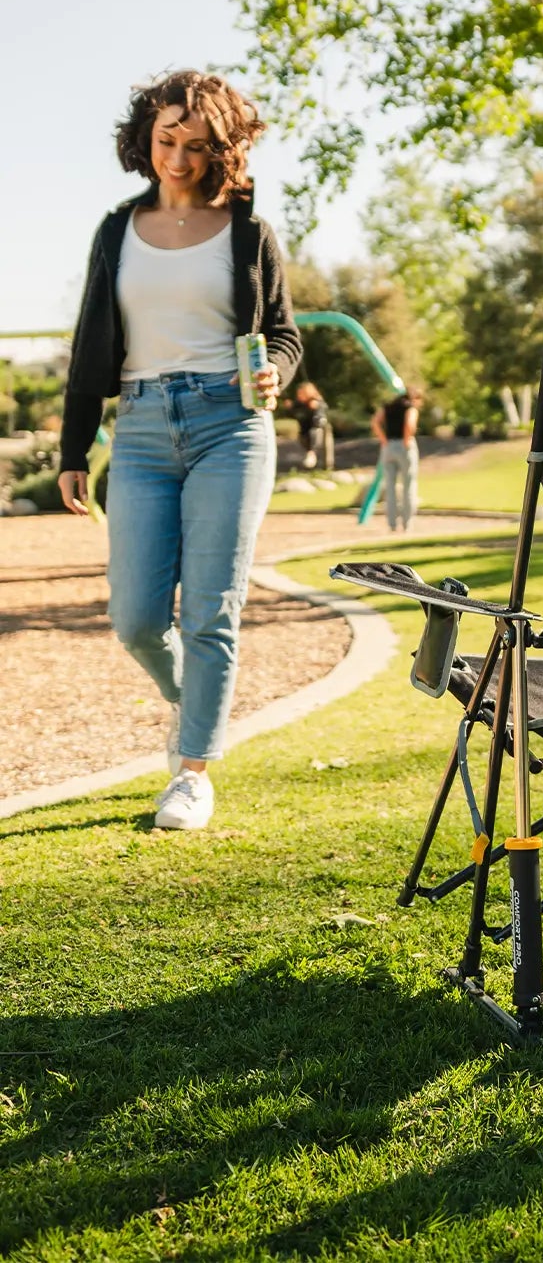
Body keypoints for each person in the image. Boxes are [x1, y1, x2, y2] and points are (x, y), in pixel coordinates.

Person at [58, 71, 301, 831]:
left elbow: (288, 337)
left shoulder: (249, 232)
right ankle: (193, 702)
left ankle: (192, 773)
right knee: (133, 617)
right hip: (137, 429)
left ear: (220, 151)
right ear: (146, 137)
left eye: (197, 146)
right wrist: (72, 450)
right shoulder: (115, 231)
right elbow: (89, 346)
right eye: (167, 140)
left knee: (210, 609)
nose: (179, 158)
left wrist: (276, 370)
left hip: (230, 425)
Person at [372, 388, 421, 531]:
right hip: (404, 446)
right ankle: (407, 523)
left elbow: (375, 422)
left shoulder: (388, 407)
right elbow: (409, 424)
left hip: (388, 447)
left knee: (390, 487)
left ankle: (392, 524)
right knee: (408, 485)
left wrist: (383, 440)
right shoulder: (411, 409)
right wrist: (406, 440)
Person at [290, 380, 329, 470]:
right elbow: (294, 412)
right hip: (304, 427)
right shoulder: (298, 403)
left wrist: (317, 406)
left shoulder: (317, 400)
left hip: (316, 425)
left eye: (302, 393)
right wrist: (290, 407)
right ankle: (310, 453)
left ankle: (312, 453)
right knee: (303, 438)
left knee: (314, 433)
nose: (299, 395)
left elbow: (324, 408)